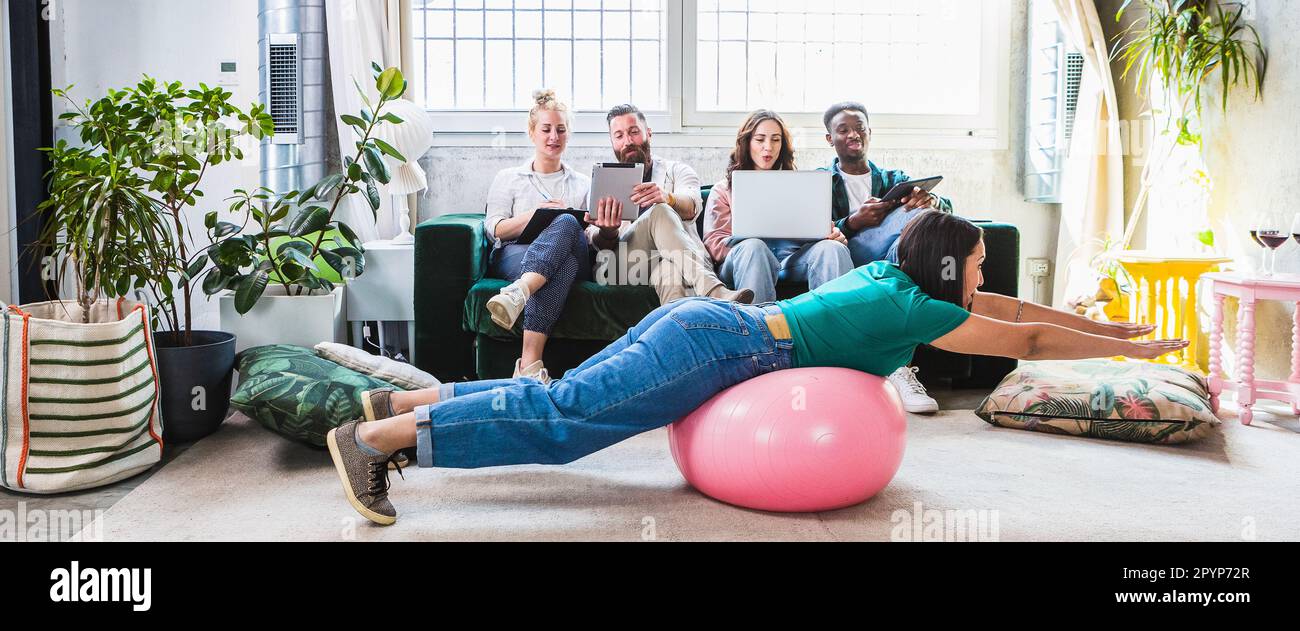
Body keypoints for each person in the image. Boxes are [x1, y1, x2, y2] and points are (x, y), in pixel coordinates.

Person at [328, 211, 1177, 525]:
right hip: (722, 344)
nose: (986, 282)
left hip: (709, 322)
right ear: (953, 274)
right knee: (561, 425)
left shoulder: (898, 278)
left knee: (558, 394)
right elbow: (1021, 339)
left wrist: (1113, 329)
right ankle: (378, 438)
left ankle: (403, 397)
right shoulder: (923, 309)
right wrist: (1124, 349)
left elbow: (1021, 315)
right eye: (981, 266)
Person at [822, 101, 956, 414]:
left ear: (870, 132)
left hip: (892, 255)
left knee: (920, 214)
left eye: (860, 128)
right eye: (844, 130)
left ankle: (898, 367)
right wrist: (854, 221)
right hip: (845, 252)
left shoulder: (895, 178)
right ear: (830, 139)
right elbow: (812, 233)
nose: (854, 134)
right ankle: (896, 365)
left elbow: (946, 209)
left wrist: (931, 199)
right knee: (910, 222)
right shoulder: (819, 180)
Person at [480, 90, 594, 383]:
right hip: (518, 254)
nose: (553, 136)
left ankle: (519, 292)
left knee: (567, 220)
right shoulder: (509, 178)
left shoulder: (583, 183)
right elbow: (494, 228)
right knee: (562, 266)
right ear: (532, 133)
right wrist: (535, 215)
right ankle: (530, 365)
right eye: (546, 129)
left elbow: (590, 236)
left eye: (561, 129)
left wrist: (600, 227)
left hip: (572, 251)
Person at [589, 104, 753, 305]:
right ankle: (714, 290)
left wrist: (668, 198)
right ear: (612, 141)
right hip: (625, 266)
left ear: (648, 133)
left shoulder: (677, 170)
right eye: (619, 135)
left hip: (674, 262)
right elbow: (594, 240)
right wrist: (608, 232)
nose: (628, 141)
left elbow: (692, 205)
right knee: (659, 211)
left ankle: (679, 334)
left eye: (634, 132)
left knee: (670, 273)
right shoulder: (603, 181)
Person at [703, 110, 855, 305]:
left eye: (776, 140)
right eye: (760, 140)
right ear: (747, 142)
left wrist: (832, 234)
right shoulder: (724, 189)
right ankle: (758, 329)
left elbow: (817, 227)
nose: (768, 147)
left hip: (791, 261)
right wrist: (749, 238)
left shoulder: (800, 185)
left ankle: (835, 327)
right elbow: (715, 244)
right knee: (754, 247)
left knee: (833, 249)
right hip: (745, 260)